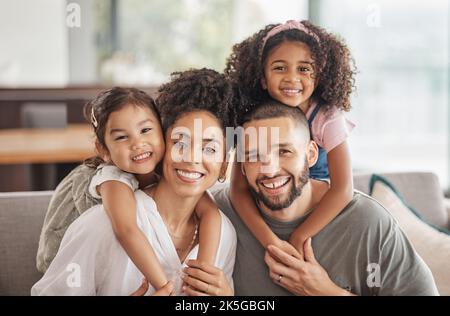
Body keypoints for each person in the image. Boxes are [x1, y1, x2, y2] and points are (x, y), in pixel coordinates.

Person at [32, 69, 236, 296]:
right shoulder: (102, 224)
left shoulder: (224, 234)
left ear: (224, 165)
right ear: (163, 145)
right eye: (180, 142)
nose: (192, 157)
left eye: (210, 148)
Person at [210, 100, 439, 295]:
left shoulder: (368, 222)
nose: (269, 170)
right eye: (253, 156)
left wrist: (327, 292)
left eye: (284, 152)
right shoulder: (216, 212)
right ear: (241, 166)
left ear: (310, 154)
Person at [224, 20, 356, 257]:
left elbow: (343, 189)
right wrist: (270, 241)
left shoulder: (328, 116)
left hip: (319, 210)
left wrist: (299, 236)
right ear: (263, 78)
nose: (292, 79)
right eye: (280, 68)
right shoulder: (252, 119)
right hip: (271, 210)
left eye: (303, 69)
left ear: (319, 75)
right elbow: (238, 189)